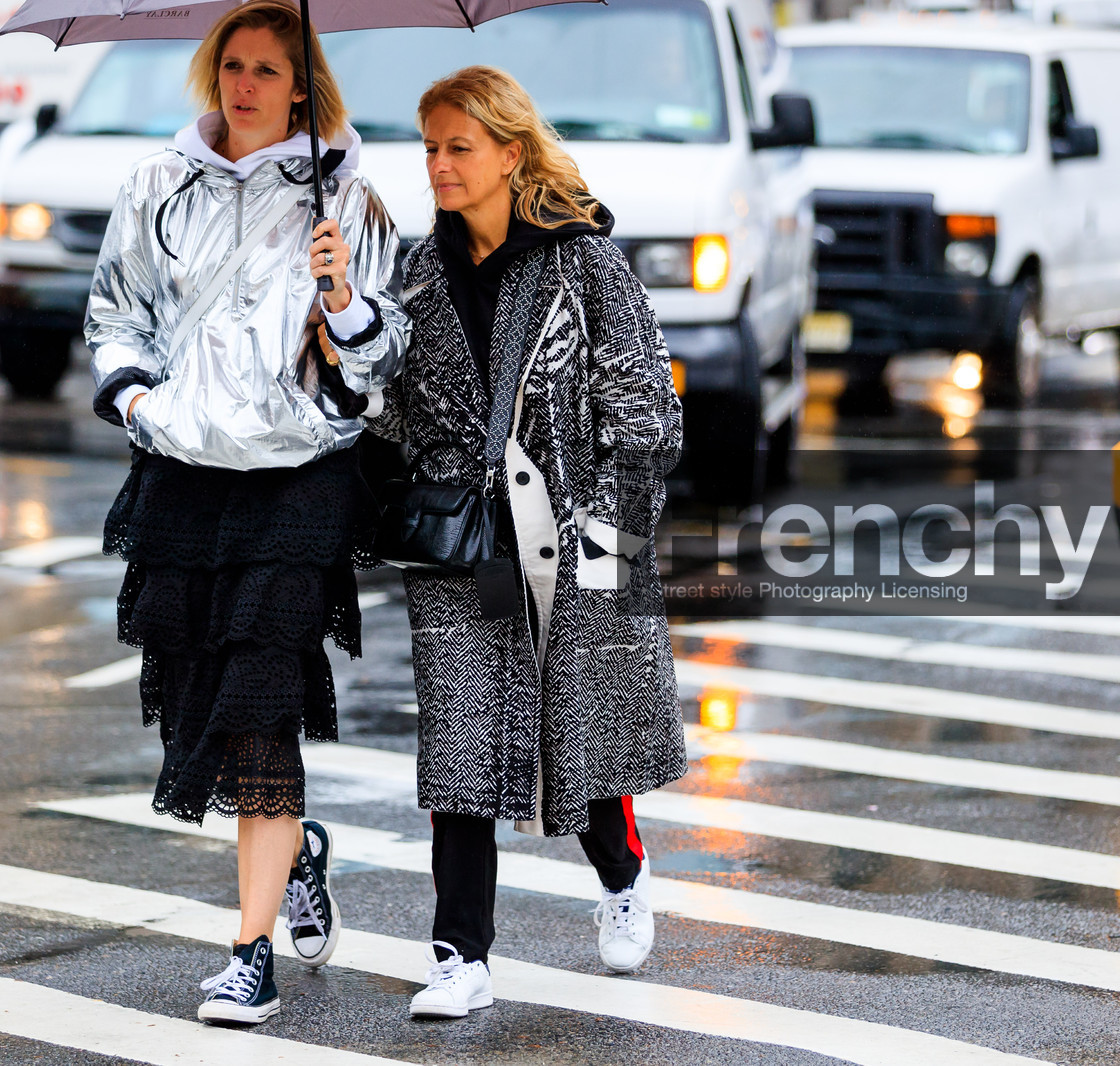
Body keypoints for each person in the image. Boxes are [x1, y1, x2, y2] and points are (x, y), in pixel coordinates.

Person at [85, 0, 409, 1026]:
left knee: (264, 707)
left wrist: (346, 303)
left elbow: (382, 361)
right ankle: (299, 853)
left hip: (298, 476)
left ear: (301, 83)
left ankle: (249, 951)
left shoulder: (347, 196)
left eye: (268, 68)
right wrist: (138, 400)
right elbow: (113, 311)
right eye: (233, 64)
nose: (245, 84)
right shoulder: (156, 184)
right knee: (202, 711)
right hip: (184, 470)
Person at [368, 65, 686, 1020]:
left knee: (572, 735)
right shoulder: (416, 275)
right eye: (428, 147)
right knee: (466, 738)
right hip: (471, 551)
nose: (438, 166)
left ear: (511, 153)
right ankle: (459, 954)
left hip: (577, 541)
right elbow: (385, 415)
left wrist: (613, 535)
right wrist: (340, 322)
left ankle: (621, 871)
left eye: (458, 147)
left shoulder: (583, 263)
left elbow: (648, 414)